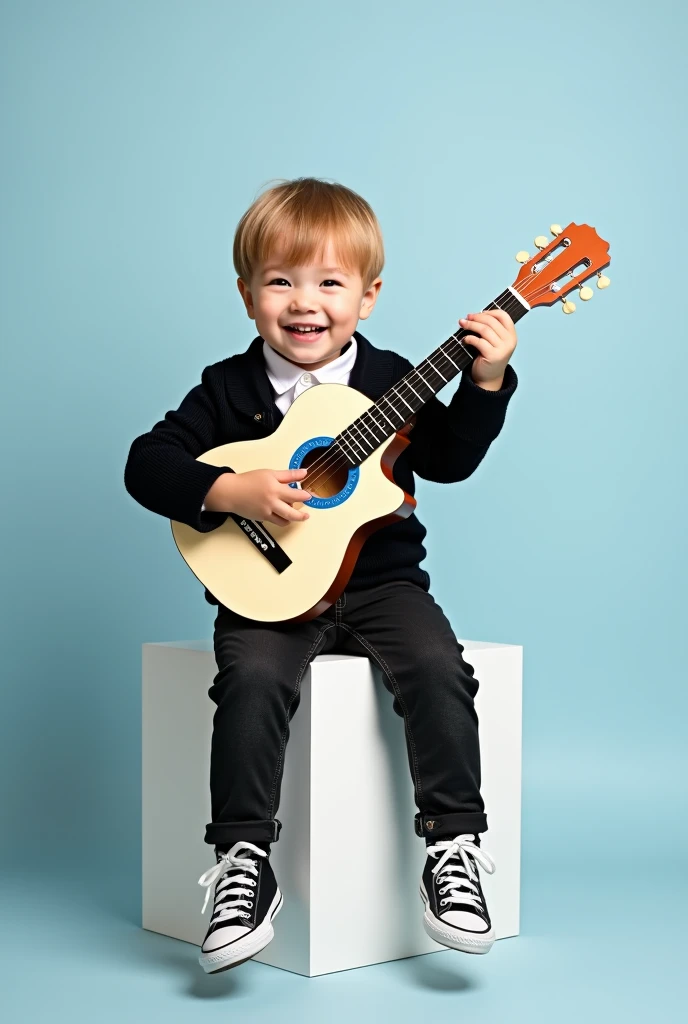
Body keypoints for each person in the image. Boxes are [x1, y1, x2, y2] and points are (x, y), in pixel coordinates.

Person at [124, 177, 519, 975]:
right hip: (268, 594)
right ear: (247, 296)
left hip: (381, 584)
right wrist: (230, 490)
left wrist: (484, 383)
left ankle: (454, 848)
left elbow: (446, 460)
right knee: (249, 680)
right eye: (281, 280)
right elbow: (146, 464)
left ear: (368, 297)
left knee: (441, 668)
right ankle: (242, 864)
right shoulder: (226, 390)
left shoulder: (393, 378)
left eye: (330, 282)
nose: (306, 303)